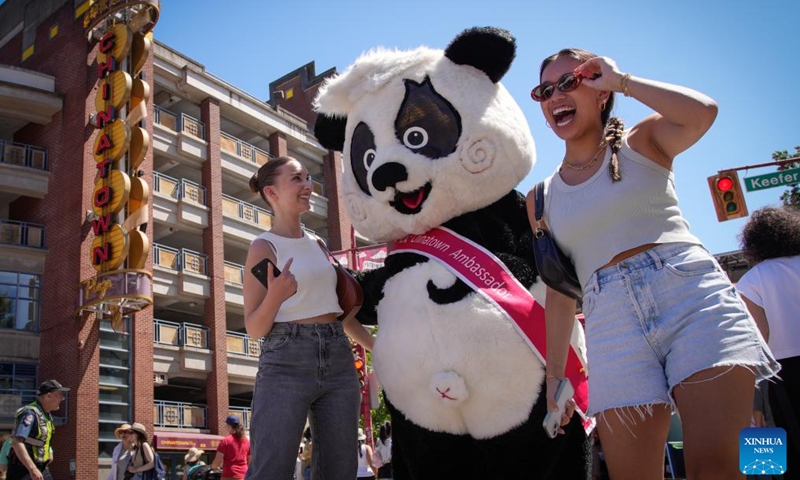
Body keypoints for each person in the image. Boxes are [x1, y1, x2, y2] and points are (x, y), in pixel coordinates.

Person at [526, 48, 779, 480]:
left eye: (570, 82)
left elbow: (702, 112)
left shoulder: (641, 142)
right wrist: (554, 379)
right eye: (545, 90)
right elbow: (560, 291)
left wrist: (622, 80)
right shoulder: (540, 199)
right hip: (610, 323)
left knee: (716, 469)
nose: (556, 96)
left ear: (599, 91)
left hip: (690, 297)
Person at [243, 156, 369, 479]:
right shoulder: (263, 247)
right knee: (271, 469)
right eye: (297, 179)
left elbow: (337, 312)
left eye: (308, 178)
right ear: (271, 192)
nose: (308, 185)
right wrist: (275, 296)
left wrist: (375, 346)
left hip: (338, 358)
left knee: (340, 472)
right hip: (285, 361)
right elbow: (255, 327)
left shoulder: (318, 244)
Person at [736, 205, 800, 478]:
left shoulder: (752, 281)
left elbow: (757, 344)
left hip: (782, 375)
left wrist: (752, 404)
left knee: (780, 459)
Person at [7, 379, 69, 480]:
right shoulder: (30, 413)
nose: (62, 398)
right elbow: (16, 442)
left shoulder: (46, 415)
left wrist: (49, 451)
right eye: (60, 395)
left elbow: (42, 438)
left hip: (42, 467)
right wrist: (32, 469)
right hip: (24, 470)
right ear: (48, 396)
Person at [210, 415, 249, 480]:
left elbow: (217, 461)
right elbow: (250, 460)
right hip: (243, 475)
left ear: (229, 426)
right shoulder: (246, 441)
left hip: (229, 474)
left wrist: (213, 467)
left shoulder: (225, 441)